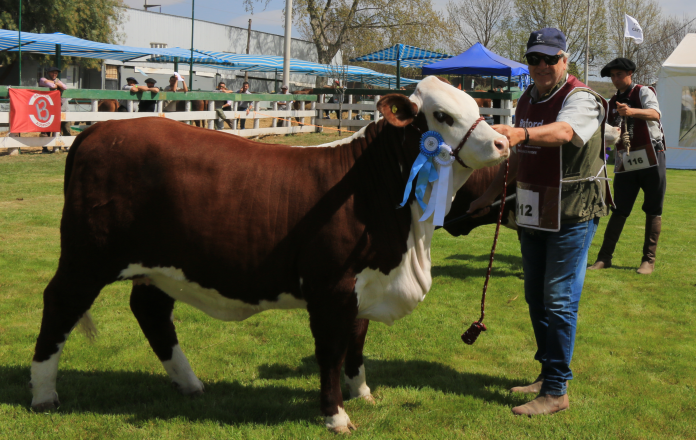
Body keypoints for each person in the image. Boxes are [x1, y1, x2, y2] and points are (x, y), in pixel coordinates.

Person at [468, 28, 609, 416]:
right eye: (534, 59)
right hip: (533, 209)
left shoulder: (582, 99)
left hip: (573, 211)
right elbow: (518, 156)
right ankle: (549, 375)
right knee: (535, 296)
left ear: (565, 60)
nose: (542, 66)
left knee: (559, 299)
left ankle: (557, 391)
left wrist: (521, 132)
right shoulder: (527, 97)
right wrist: (488, 195)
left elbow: (564, 132)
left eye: (550, 59)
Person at [588, 58, 665, 275]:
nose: (615, 79)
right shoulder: (611, 103)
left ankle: (648, 260)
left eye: (618, 75)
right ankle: (604, 258)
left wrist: (631, 112)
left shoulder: (644, 92)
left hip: (653, 156)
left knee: (653, 208)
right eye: (612, 76)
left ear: (630, 73)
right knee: (619, 209)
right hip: (625, 160)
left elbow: (655, 114)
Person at [38, 66, 71, 143]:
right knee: (47, 128)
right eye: (53, 72)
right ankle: (45, 147)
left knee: (65, 127)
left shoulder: (57, 80)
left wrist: (56, 84)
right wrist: (57, 84)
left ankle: (66, 145)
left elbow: (65, 87)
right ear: (48, 72)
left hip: (61, 106)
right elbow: (52, 86)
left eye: (56, 73)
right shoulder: (43, 79)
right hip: (48, 108)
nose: (54, 74)